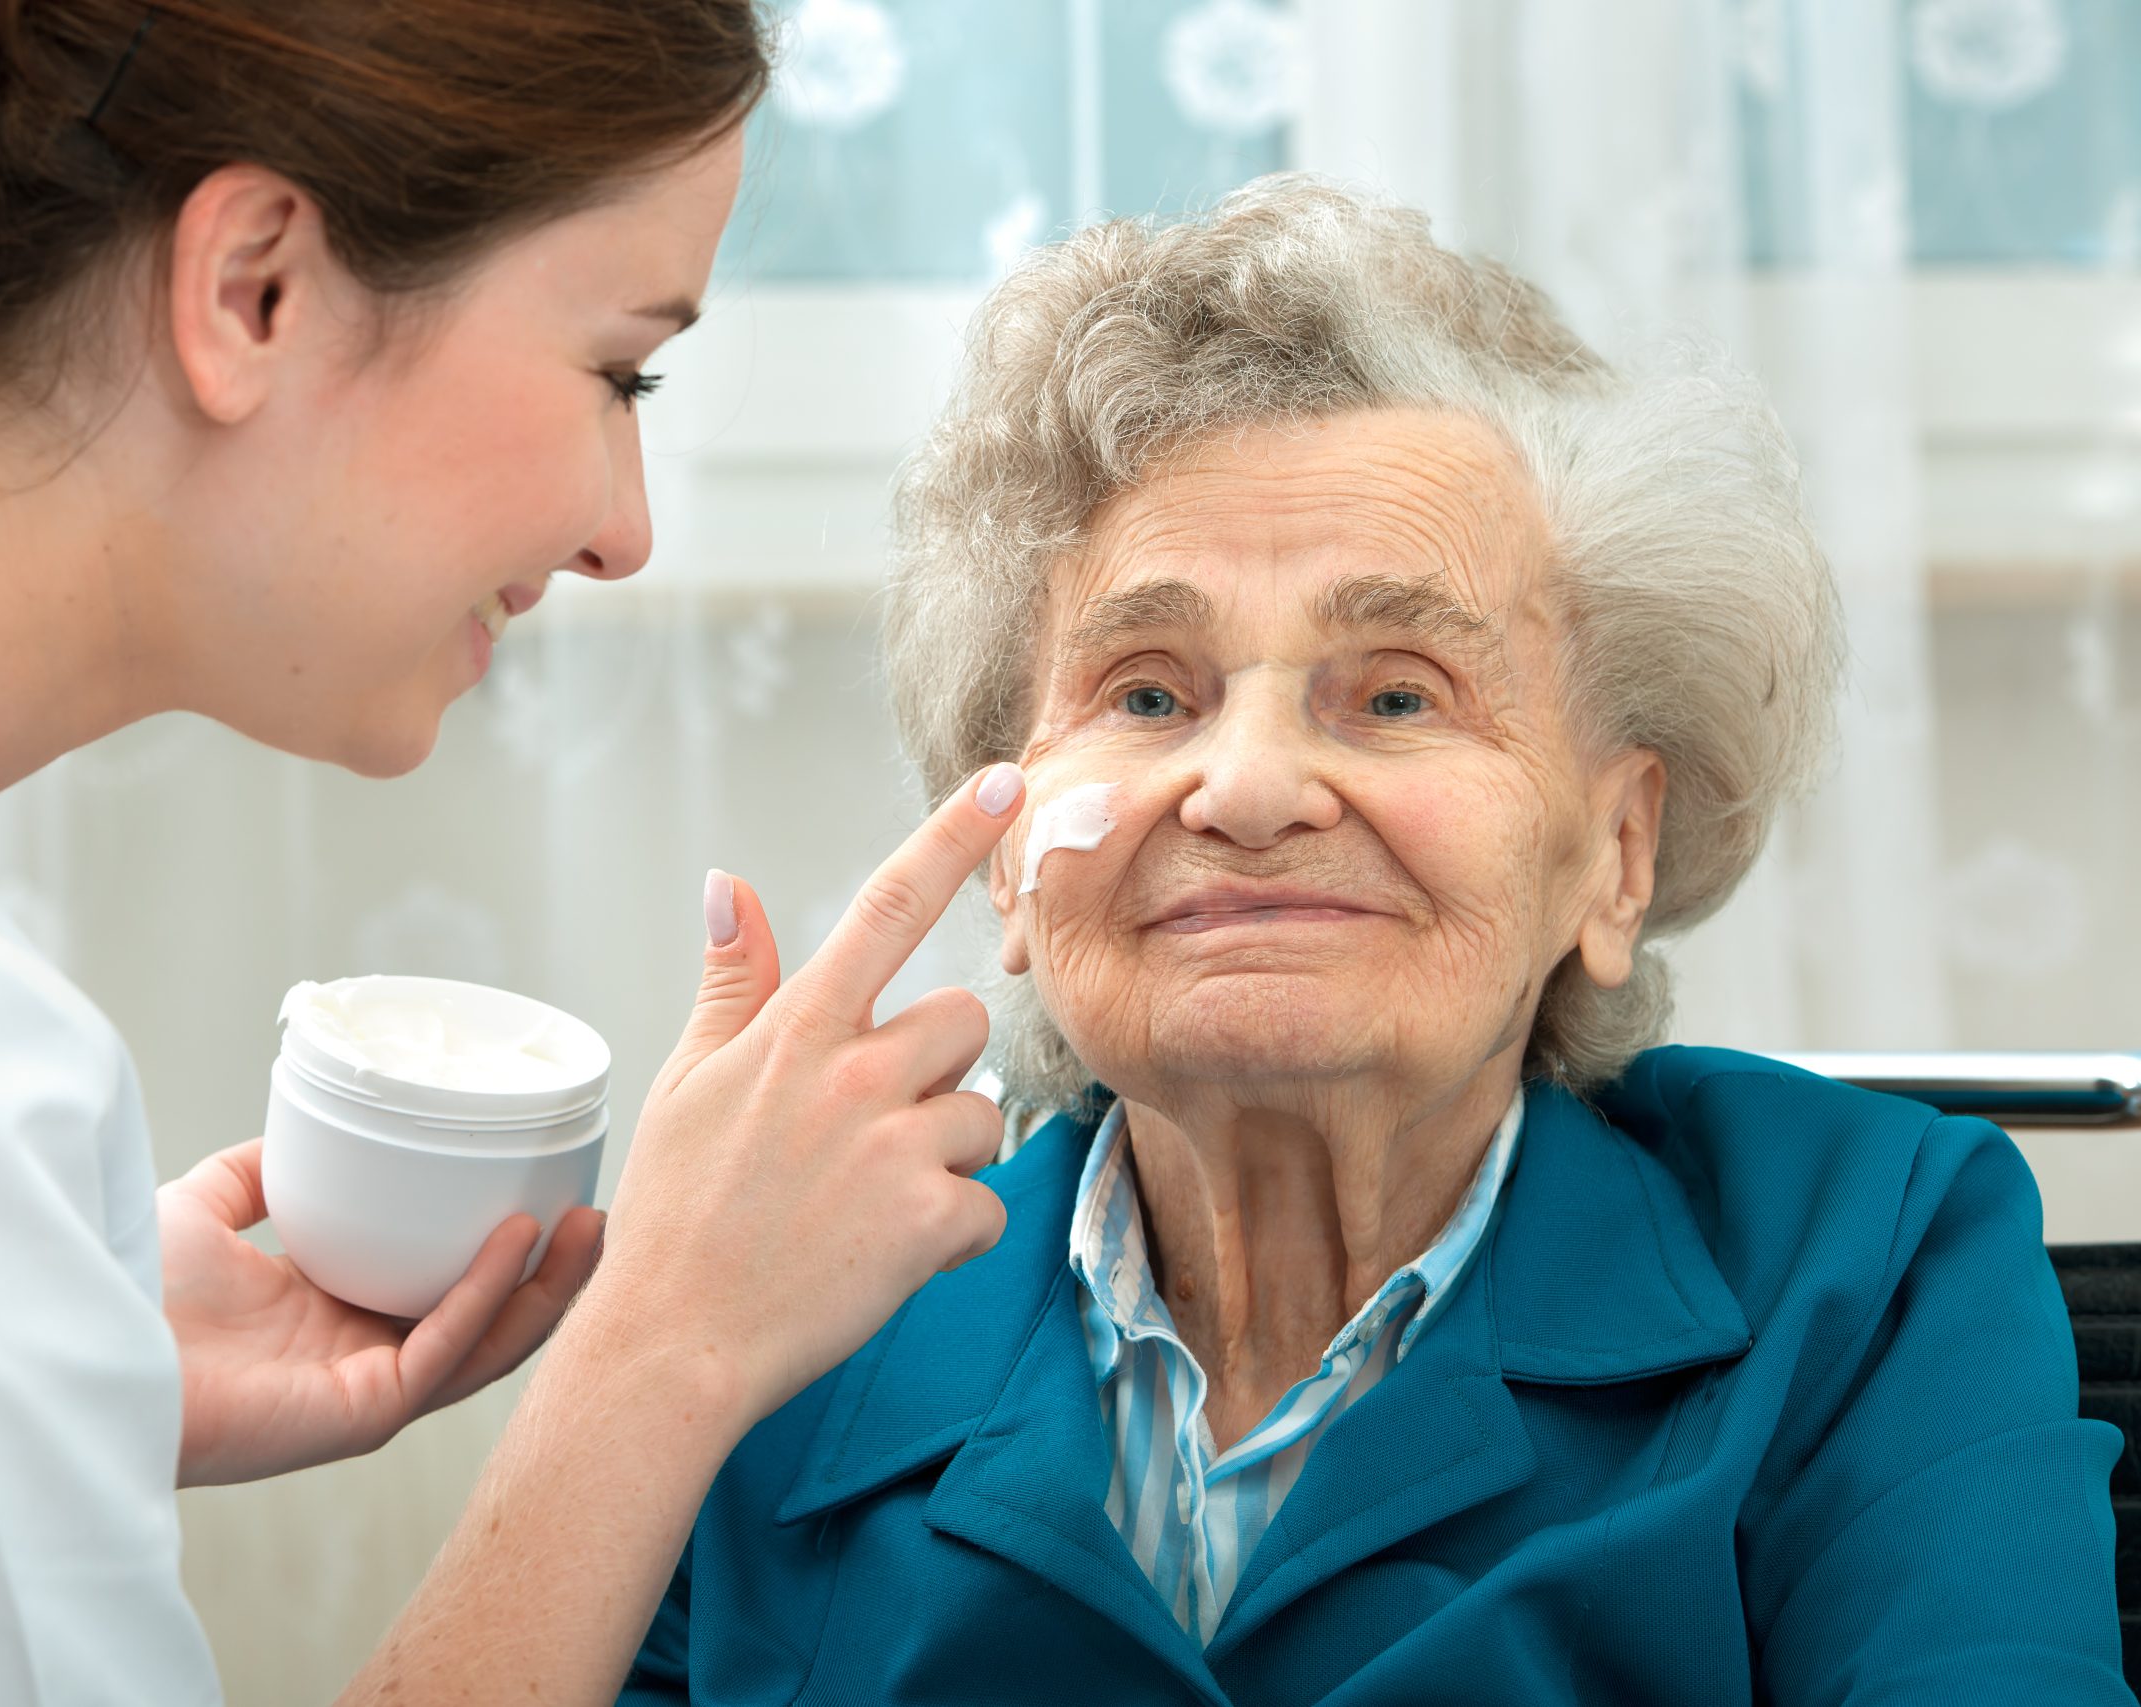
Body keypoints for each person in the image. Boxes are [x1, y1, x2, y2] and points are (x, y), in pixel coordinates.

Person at [0, 3, 1019, 1702]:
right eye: (618, 370)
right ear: (251, 286)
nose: (625, 533)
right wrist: (661, 1361)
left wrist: (17, 1362)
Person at [620, 176, 2134, 1704]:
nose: (1253, 787)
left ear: (1613, 856)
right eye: (1148, 694)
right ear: (1006, 859)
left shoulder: (1864, 1258)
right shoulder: (785, 1331)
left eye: (1400, 694)